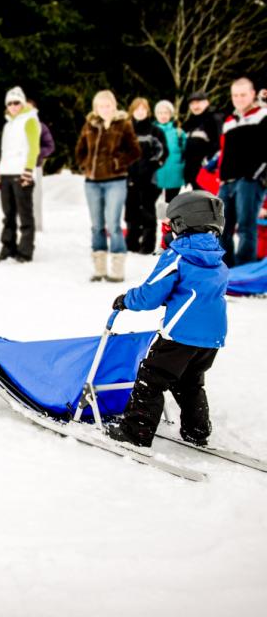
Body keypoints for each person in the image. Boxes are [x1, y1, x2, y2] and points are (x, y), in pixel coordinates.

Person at [107, 190, 228, 449]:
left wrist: (127, 300)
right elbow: (196, 291)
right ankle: (197, 430)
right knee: (190, 381)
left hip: (180, 334)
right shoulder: (217, 258)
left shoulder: (178, 255)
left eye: (172, 223)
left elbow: (151, 294)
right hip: (212, 337)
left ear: (183, 223)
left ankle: (135, 432)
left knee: (151, 378)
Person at [75, 90, 141, 282]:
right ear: (96, 108)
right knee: (96, 225)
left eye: (108, 105)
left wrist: (117, 163)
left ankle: (118, 267)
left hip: (115, 181)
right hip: (92, 183)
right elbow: (80, 149)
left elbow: (135, 151)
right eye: (100, 106)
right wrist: (86, 165)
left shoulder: (124, 124)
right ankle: (99, 267)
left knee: (113, 224)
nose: (105, 109)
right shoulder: (90, 125)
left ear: (114, 106)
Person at [218, 77, 267, 267]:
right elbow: (224, 153)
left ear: (253, 94)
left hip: (250, 180)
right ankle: (224, 267)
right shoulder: (229, 121)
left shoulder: (263, 115)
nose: (238, 98)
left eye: (243, 94)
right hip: (227, 181)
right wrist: (221, 178)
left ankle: (245, 268)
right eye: (235, 95)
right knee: (221, 227)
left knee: (246, 226)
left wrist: (256, 175)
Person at [0, 87, 41, 263]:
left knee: (25, 214)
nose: (13, 106)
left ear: (22, 103)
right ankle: (8, 247)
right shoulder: (8, 124)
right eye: (10, 103)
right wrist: (0, 172)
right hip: (6, 172)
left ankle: (25, 250)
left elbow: (34, 148)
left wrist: (28, 171)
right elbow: (5, 151)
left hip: (22, 173)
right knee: (8, 214)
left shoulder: (30, 120)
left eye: (17, 103)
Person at [125, 97, 167, 255]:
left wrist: (151, 166)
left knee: (148, 211)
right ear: (132, 111)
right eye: (137, 109)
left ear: (147, 111)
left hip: (149, 179)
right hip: (129, 178)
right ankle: (131, 244)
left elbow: (162, 152)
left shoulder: (155, 131)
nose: (140, 112)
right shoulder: (126, 130)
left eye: (143, 109)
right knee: (131, 211)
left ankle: (147, 245)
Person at [182, 91, 222, 190]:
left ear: (207, 102)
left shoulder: (214, 119)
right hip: (191, 172)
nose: (195, 106)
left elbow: (219, 144)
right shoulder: (190, 122)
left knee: (207, 201)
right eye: (192, 104)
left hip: (207, 172)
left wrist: (208, 163)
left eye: (198, 102)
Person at [27, 99, 55, 232]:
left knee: (35, 197)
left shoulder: (40, 126)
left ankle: (37, 226)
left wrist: (38, 153)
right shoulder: (16, 126)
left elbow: (50, 146)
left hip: (35, 167)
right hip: (18, 166)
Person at [154, 99, 187, 204]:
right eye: (160, 113)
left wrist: (182, 166)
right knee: (151, 205)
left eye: (166, 113)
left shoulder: (179, 132)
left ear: (170, 114)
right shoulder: (151, 131)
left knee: (171, 206)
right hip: (155, 174)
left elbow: (185, 151)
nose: (163, 116)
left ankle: (170, 220)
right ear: (156, 114)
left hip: (174, 174)